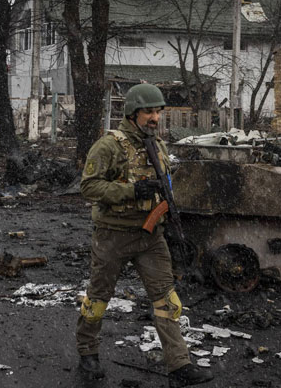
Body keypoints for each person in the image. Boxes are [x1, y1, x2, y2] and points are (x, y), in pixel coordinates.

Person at [77, 83, 213, 387]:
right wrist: (130, 190)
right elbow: (87, 187)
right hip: (114, 235)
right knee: (98, 298)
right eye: (149, 111)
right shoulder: (109, 145)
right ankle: (88, 353)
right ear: (133, 112)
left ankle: (179, 365)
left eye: (158, 111)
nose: (155, 117)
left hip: (151, 237)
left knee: (168, 300)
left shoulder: (158, 145)